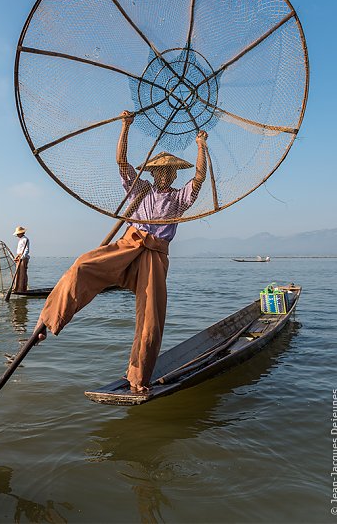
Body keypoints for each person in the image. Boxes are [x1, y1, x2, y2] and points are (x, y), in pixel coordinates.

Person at [34, 111, 208, 394]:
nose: (164, 175)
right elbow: (122, 162)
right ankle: (48, 320)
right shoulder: (140, 188)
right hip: (129, 244)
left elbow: (199, 177)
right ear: (152, 173)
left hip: (154, 256)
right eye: (160, 171)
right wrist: (125, 127)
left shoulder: (179, 197)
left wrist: (201, 146)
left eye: (169, 172)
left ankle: (138, 379)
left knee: (150, 318)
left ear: (175, 174)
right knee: (82, 266)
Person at [13, 226, 30, 293]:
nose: (17, 235)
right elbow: (20, 250)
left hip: (23, 258)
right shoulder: (21, 240)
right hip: (19, 257)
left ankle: (22, 289)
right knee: (18, 273)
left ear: (22, 233)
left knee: (22, 274)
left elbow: (26, 250)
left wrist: (22, 257)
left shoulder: (25, 239)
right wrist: (17, 257)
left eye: (18, 234)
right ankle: (17, 288)